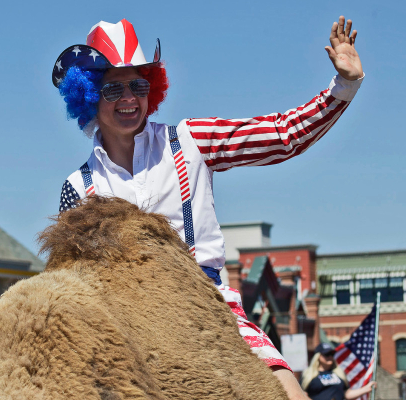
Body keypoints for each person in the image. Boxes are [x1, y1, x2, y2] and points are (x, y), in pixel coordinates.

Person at [53, 17, 364, 399]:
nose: (129, 98)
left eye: (138, 85)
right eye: (113, 88)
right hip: (124, 322)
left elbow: (283, 136)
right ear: (87, 95)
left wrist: (344, 85)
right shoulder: (77, 187)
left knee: (292, 394)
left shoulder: (190, 140)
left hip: (210, 307)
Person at [301, 343, 375, 400]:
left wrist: (366, 389)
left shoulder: (338, 373)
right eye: (326, 354)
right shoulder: (308, 375)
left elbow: (347, 393)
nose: (330, 356)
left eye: (332, 354)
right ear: (318, 356)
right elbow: (301, 394)